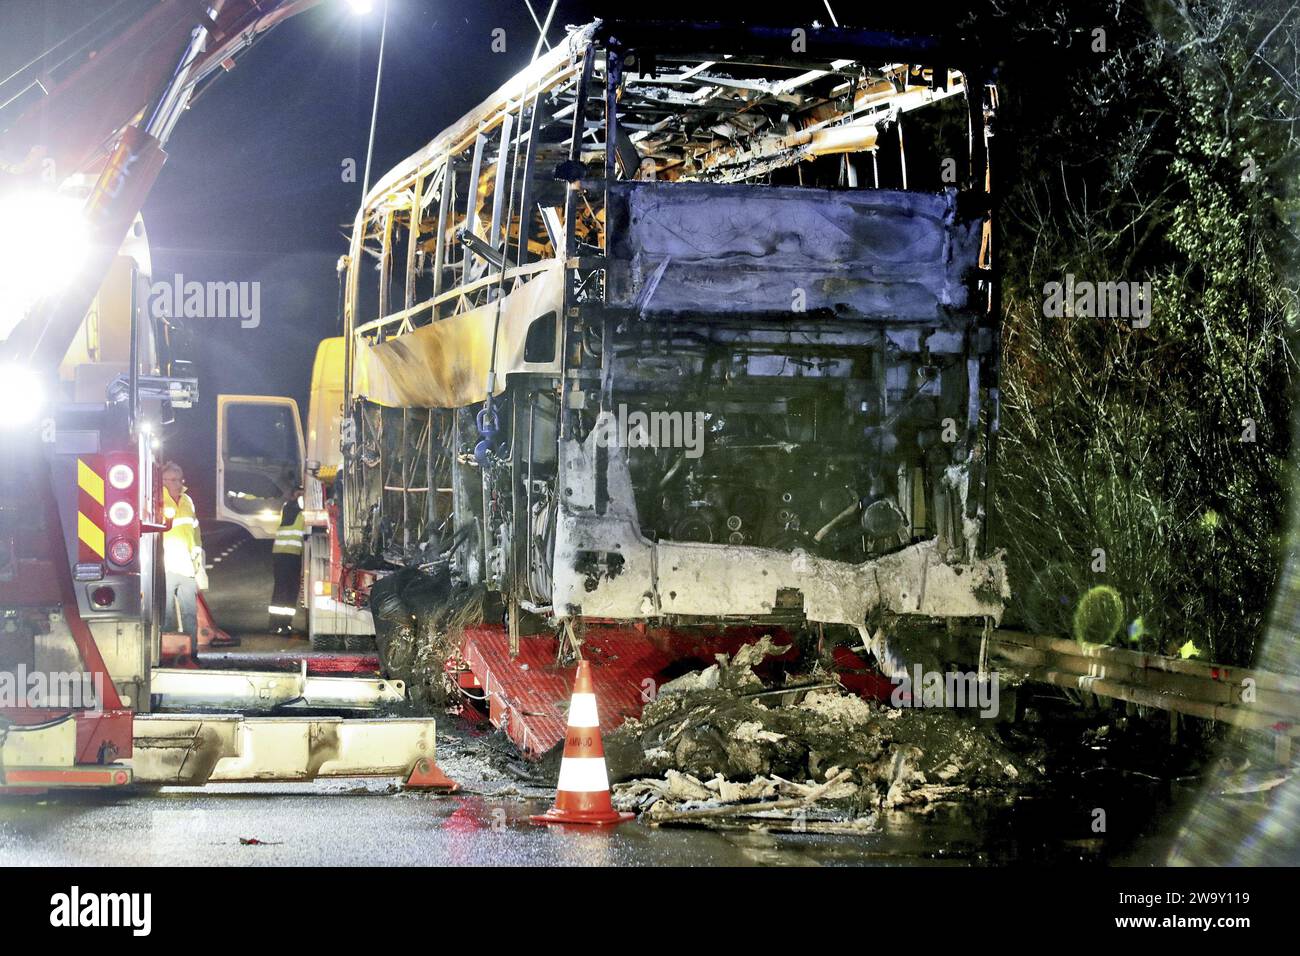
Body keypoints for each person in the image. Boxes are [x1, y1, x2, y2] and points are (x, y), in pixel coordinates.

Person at [161, 462, 207, 639]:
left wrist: (197, 556)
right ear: (163, 481)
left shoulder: (187, 501)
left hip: (187, 567)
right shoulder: (157, 500)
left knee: (190, 614)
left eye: (179, 479)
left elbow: (195, 530)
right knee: (166, 615)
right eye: (173, 480)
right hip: (165, 567)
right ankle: (165, 653)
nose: (178, 484)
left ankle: (191, 653)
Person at [268, 483, 306, 634]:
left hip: (287, 554)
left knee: (289, 590)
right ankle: (276, 625)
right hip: (287, 555)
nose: (301, 497)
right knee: (283, 590)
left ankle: (284, 625)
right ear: (294, 495)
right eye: (299, 494)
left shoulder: (289, 508)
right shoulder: (292, 508)